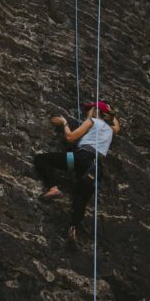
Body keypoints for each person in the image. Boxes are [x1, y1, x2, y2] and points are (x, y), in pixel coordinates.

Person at [34, 101, 121, 241]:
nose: (86, 112)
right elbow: (117, 126)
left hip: (80, 158)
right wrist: (110, 111)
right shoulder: (111, 129)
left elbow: (70, 138)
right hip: (96, 169)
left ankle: (53, 188)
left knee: (41, 159)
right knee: (81, 199)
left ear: (95, 111)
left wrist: (64, 123)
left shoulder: (92, 121)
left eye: (89, 109)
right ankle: (73, 228)